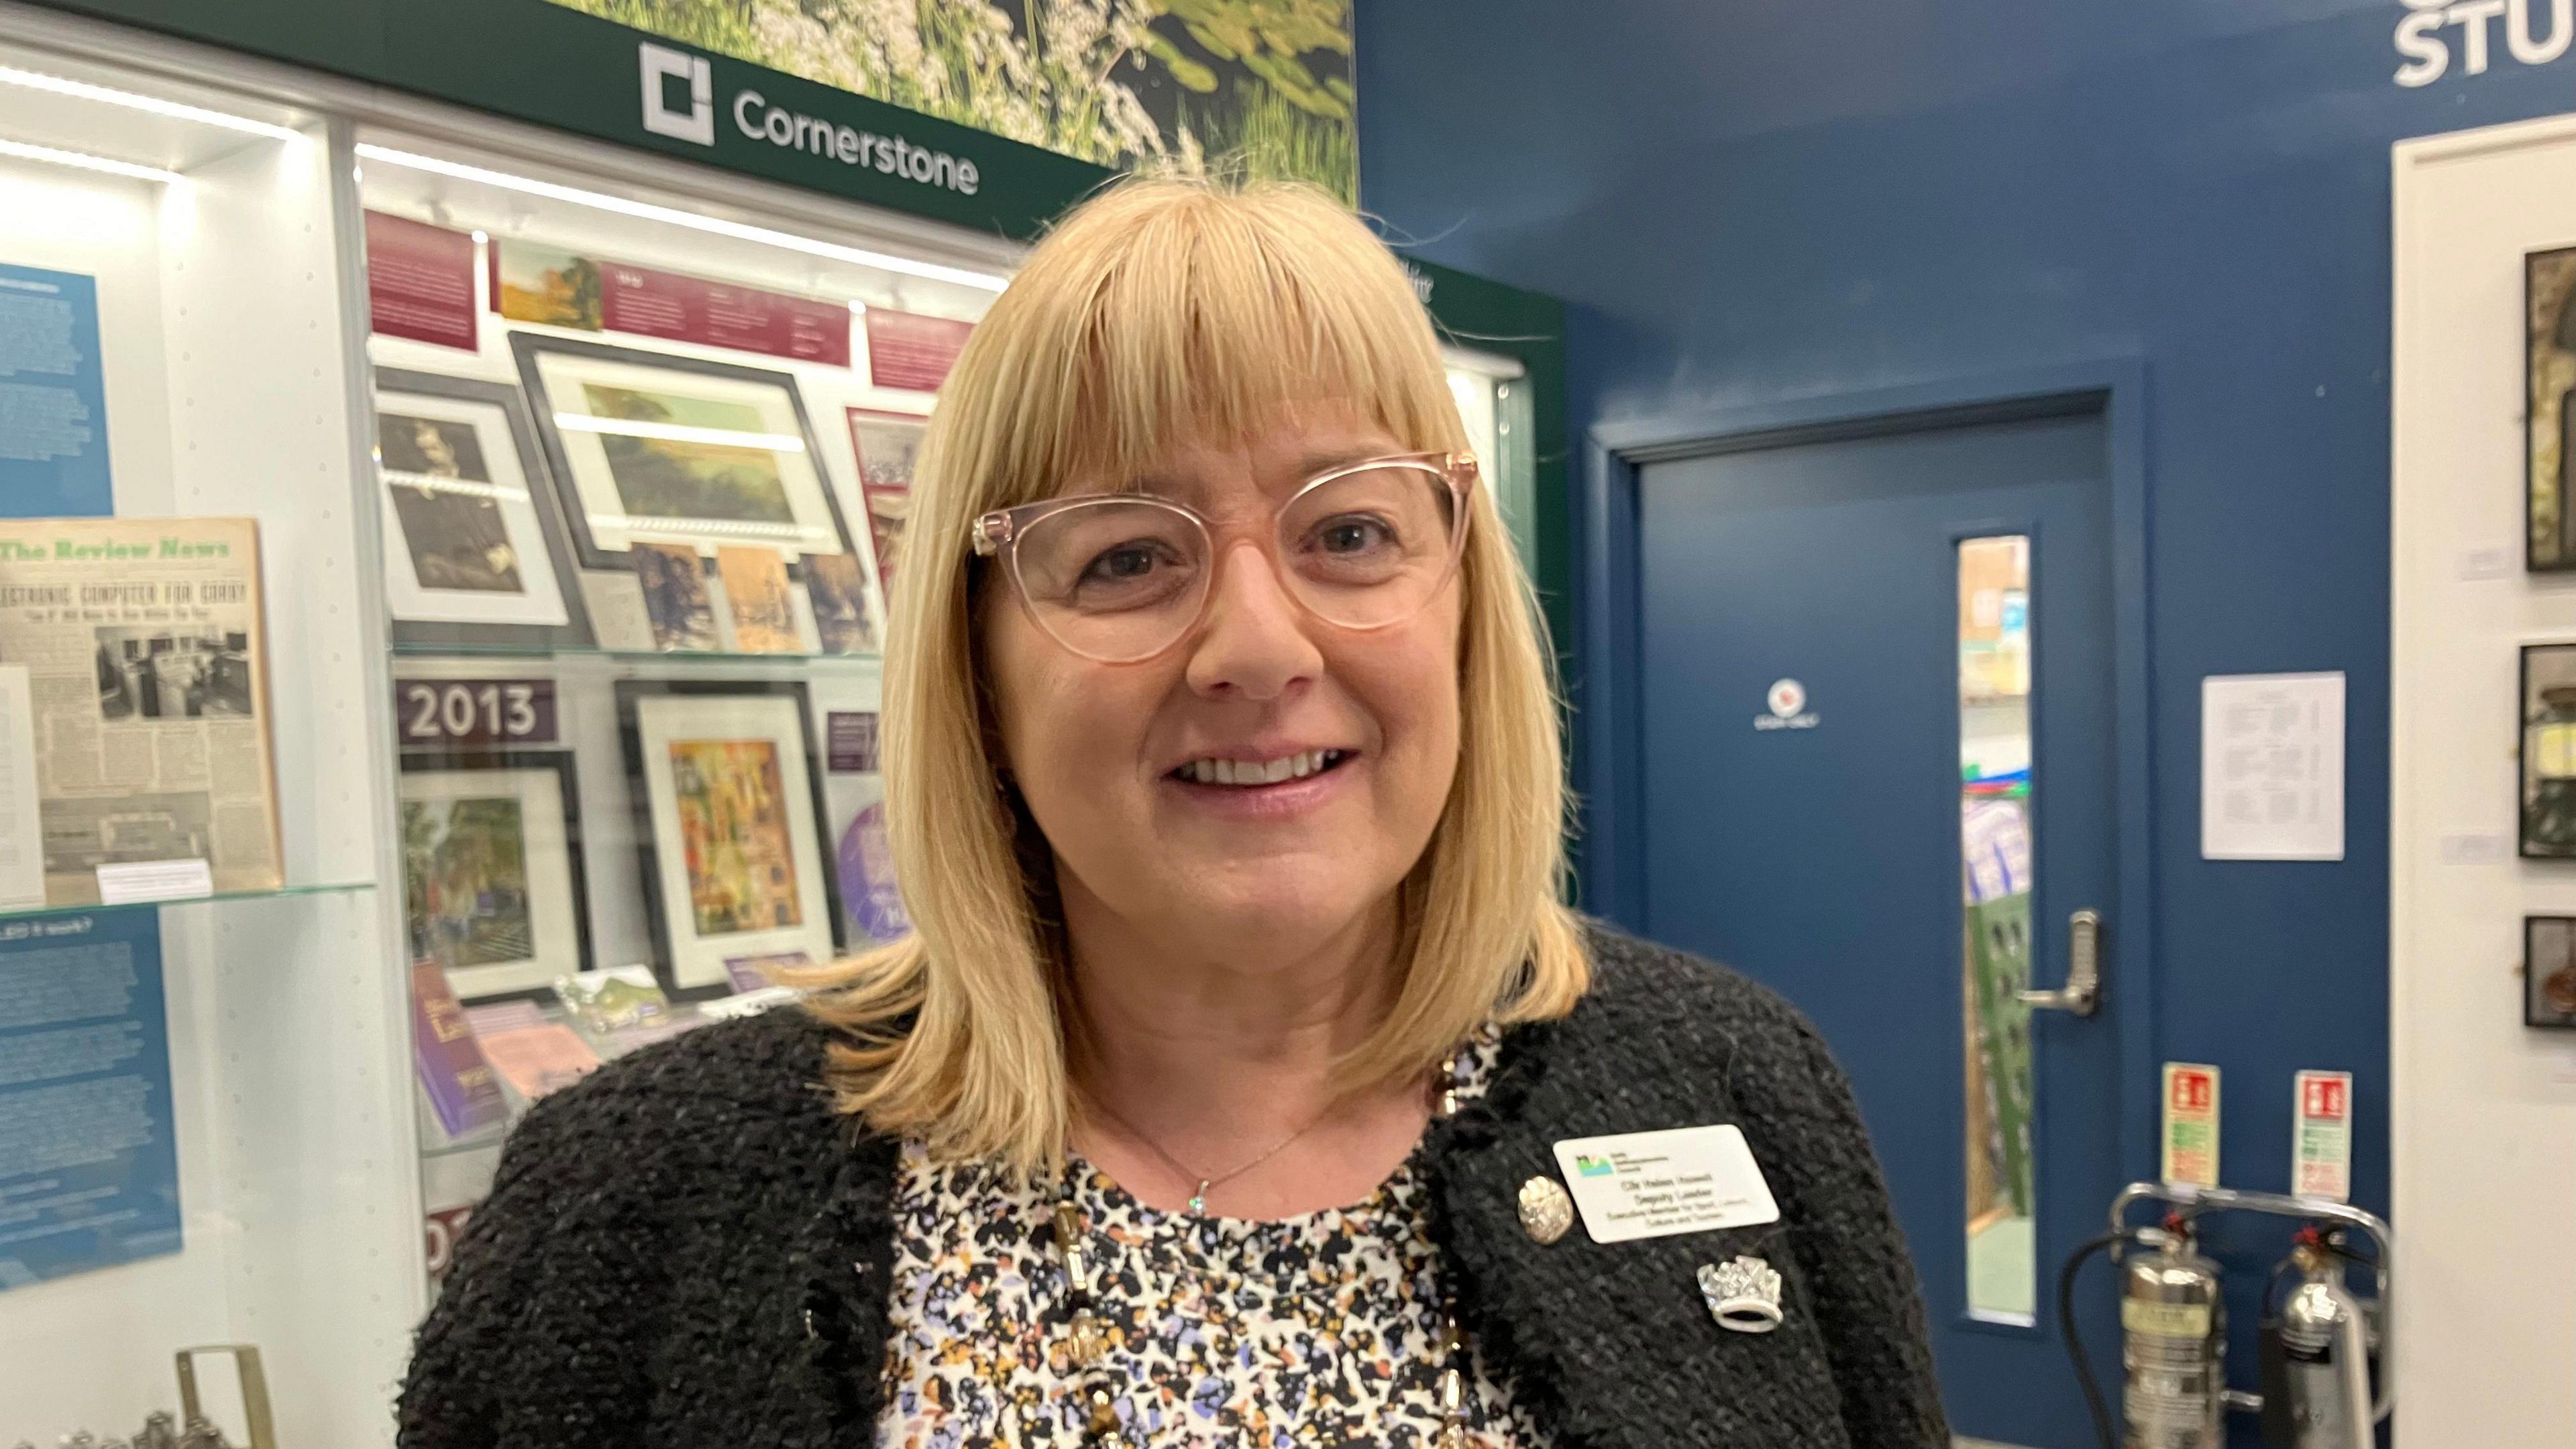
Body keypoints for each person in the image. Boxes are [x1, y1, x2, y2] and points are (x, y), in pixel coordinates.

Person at [399, 178, 1947, 1449]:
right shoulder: (636, 1203)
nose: (1261, 649)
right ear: (977, 664)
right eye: (1128, 557)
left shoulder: (1735, 1086)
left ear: (1465, 602)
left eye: (1351, 531)